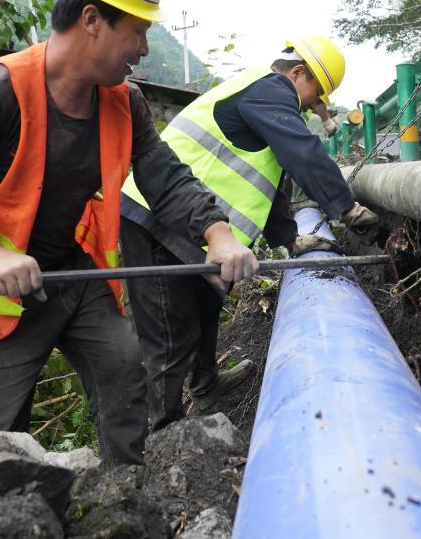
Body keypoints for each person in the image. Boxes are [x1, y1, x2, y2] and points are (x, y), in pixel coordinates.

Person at [0, 0, 257, 465]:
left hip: (69, 272)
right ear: (92, 20)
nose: (142, 46)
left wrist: (219, 234)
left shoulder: (122, 102)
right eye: (136, 30)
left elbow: (165, 175)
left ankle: (123, 493)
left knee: (124, 368)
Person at [119, 35, 380, 430]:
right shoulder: (271, 89)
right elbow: (302, 151)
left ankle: (205, 385)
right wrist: (347, 208)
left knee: (206, 300)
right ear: (297, 73)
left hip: (191, 225)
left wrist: (290, 239)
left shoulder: (263, 96)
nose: (314, 107)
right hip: (160, 215)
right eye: (314, 96)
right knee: (170, 334)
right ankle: (162, 435)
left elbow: (270, 178)